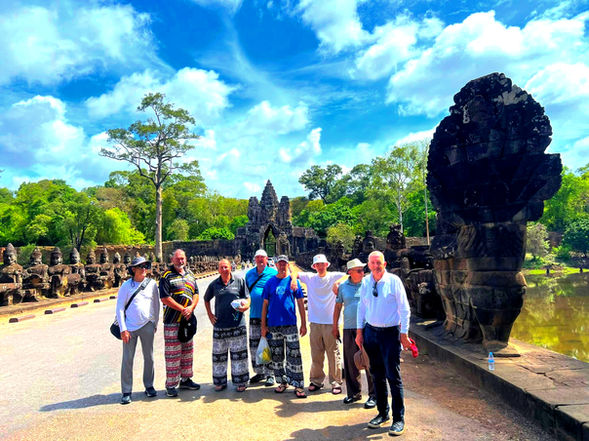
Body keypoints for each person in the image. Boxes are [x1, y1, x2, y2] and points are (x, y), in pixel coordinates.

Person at [356, 251, 411, 436]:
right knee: (376, 374)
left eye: (378, 262)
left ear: (384, 263)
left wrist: (404, 333)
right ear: (368, 264)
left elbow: (404, 308)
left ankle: (398, 419)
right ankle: (382, 413)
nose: (375, 265)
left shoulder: (394, 281)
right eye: (372, 262)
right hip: (371, 332)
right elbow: (361, 307)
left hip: (390, 333)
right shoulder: (365, 281)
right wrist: (359, 332)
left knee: (393, 376)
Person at [290, 254, 346, 394]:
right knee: (316, 353)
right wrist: (293, 281)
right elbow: (294, 272)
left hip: (330, 322)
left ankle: (335, 381)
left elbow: (348, 274)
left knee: (333, 353)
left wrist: (338, 283)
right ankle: (316, 380)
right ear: (314, 266)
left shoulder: (334, 276)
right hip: (315, 322)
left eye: (322, 264)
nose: (320, 267)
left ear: (327, 265)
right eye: (317, 265)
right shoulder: (310, 278)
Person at [261, 255, 307, 398]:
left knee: (294, 355)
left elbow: (300, 302)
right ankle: (282, 382)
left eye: (284, 264)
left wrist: (304, 324)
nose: (281, 266)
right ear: (276, 265)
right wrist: (263, 325)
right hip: (273, 324)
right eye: (279, 263)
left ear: (288, 265)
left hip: (290, 323)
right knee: (277, 356)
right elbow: (265, 305)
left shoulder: (293, 282)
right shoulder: (270, 283)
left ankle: (298, 385)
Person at [116, 256, 160, 405]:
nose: (143, 269)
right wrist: (123, 329)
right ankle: (126, 391)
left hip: (147, 324)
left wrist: (154, 322)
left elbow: (156, 304)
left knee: (149, 357)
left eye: (145, 266)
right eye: (140, 267)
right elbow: (120, 308)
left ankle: (149, 386)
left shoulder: (152, 284)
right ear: (133, 269)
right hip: (130, 327)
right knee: (127, 359)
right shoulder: (126, 286)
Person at [333, 258, 376, 408]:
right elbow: (338, 307)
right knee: (351, 362)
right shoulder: (343, 287)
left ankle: (373, 395)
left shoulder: (368, 284)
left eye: (363, 270)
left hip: (367, 327)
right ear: (350, 272)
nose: (362, 272)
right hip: (349, 327)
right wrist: (334, 326)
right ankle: (353, 393)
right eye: (359, 270)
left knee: (370, 361)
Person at [159, 249, 201, 397]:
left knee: (187, 351)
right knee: (173, 353)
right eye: (177, 259)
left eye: (182, 258)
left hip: (187, 320)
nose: (180, 261)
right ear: (172, 260)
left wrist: (191, 307)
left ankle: (186, 379)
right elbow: (164, 298)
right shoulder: (166, 276)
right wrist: (182, 308)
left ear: (186, 259)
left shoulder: (190, 275)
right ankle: (171, 384)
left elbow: (196, 293)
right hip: (172, 321)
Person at [204, 259, 251, 392]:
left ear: (231, 268)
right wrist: (210, 315)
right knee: (219, 356)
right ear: (218, 270)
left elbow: (247, 298)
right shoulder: (214, 284)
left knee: (239, 355)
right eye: (221, 267)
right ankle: (220, 381)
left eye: (226, 267)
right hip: (220, 325)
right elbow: (206, 299)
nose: (224, 269)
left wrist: (246, 306)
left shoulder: (239, 281)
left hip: (237, 324)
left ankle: (241, 382)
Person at [245, 249, 278, 386]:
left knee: (269, 344)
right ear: (255, 259)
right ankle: (259, 372)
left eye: (262, 258)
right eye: (257, 257)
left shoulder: (273, 273)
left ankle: (270, 374)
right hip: (254, 314)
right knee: (254, 345)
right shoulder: (249, 274)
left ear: (266, 259)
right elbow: (246, 293)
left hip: (269, 316)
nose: (260, 260)